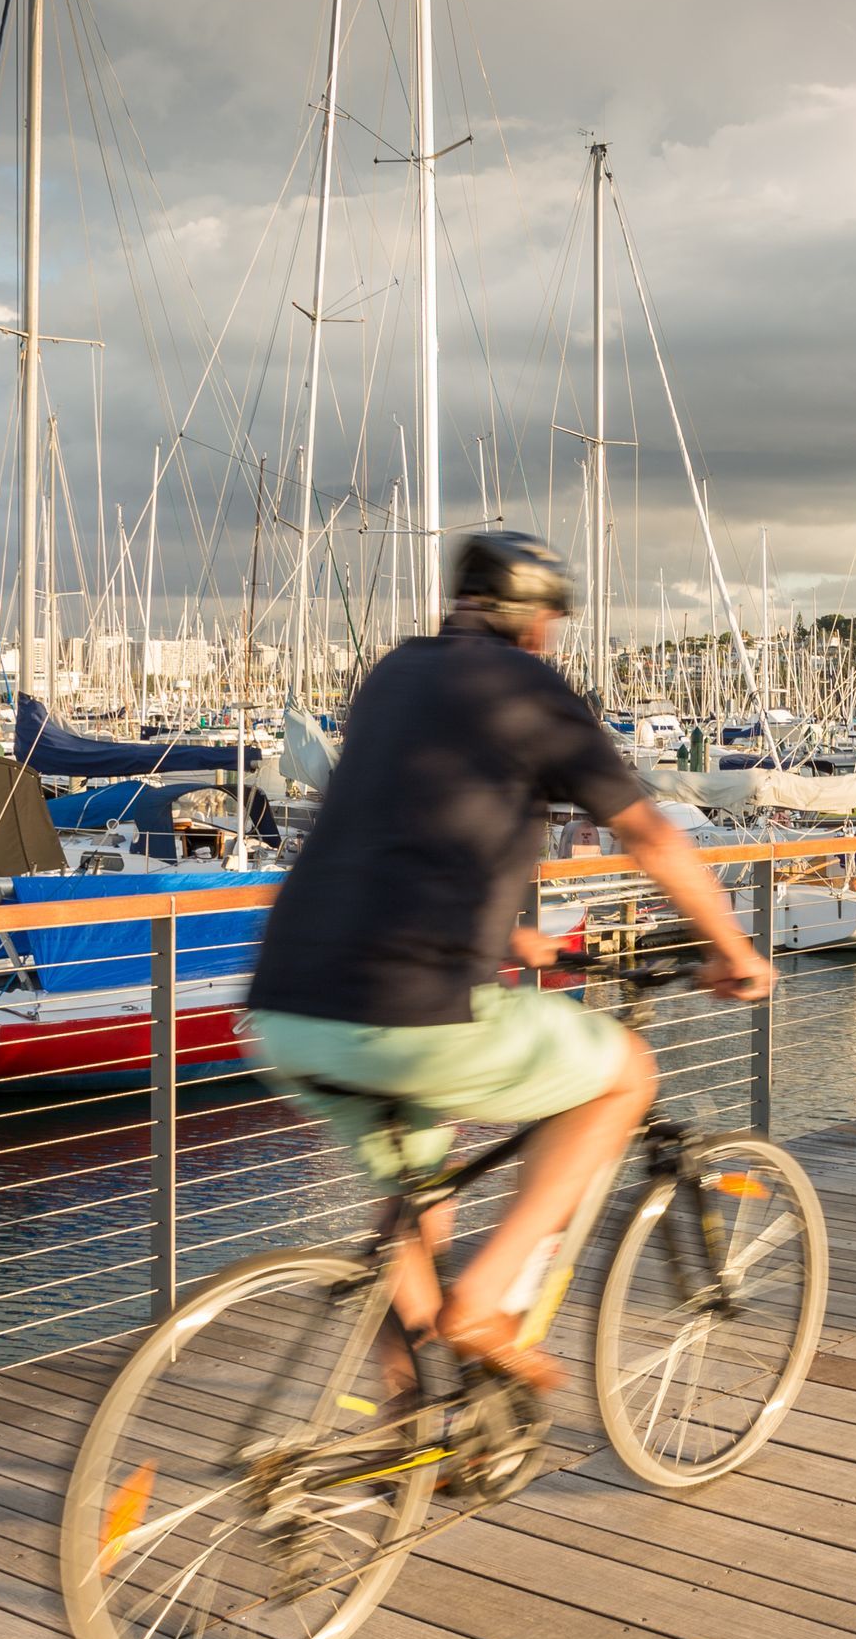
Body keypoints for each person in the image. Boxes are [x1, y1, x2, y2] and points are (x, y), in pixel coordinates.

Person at [246, 531, 774, 1398]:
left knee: (418, 1203)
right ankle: (483, 1304)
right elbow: (646, 832)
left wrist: (505, 942)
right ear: (533, 619)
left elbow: (408, 827)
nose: (554, 640)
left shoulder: (392, 675)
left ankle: (410, 1424)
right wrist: (733, 947)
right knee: (624, 1076)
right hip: (410, 1008)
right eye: (554, 623)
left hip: (288, 1004)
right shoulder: (529, 687)